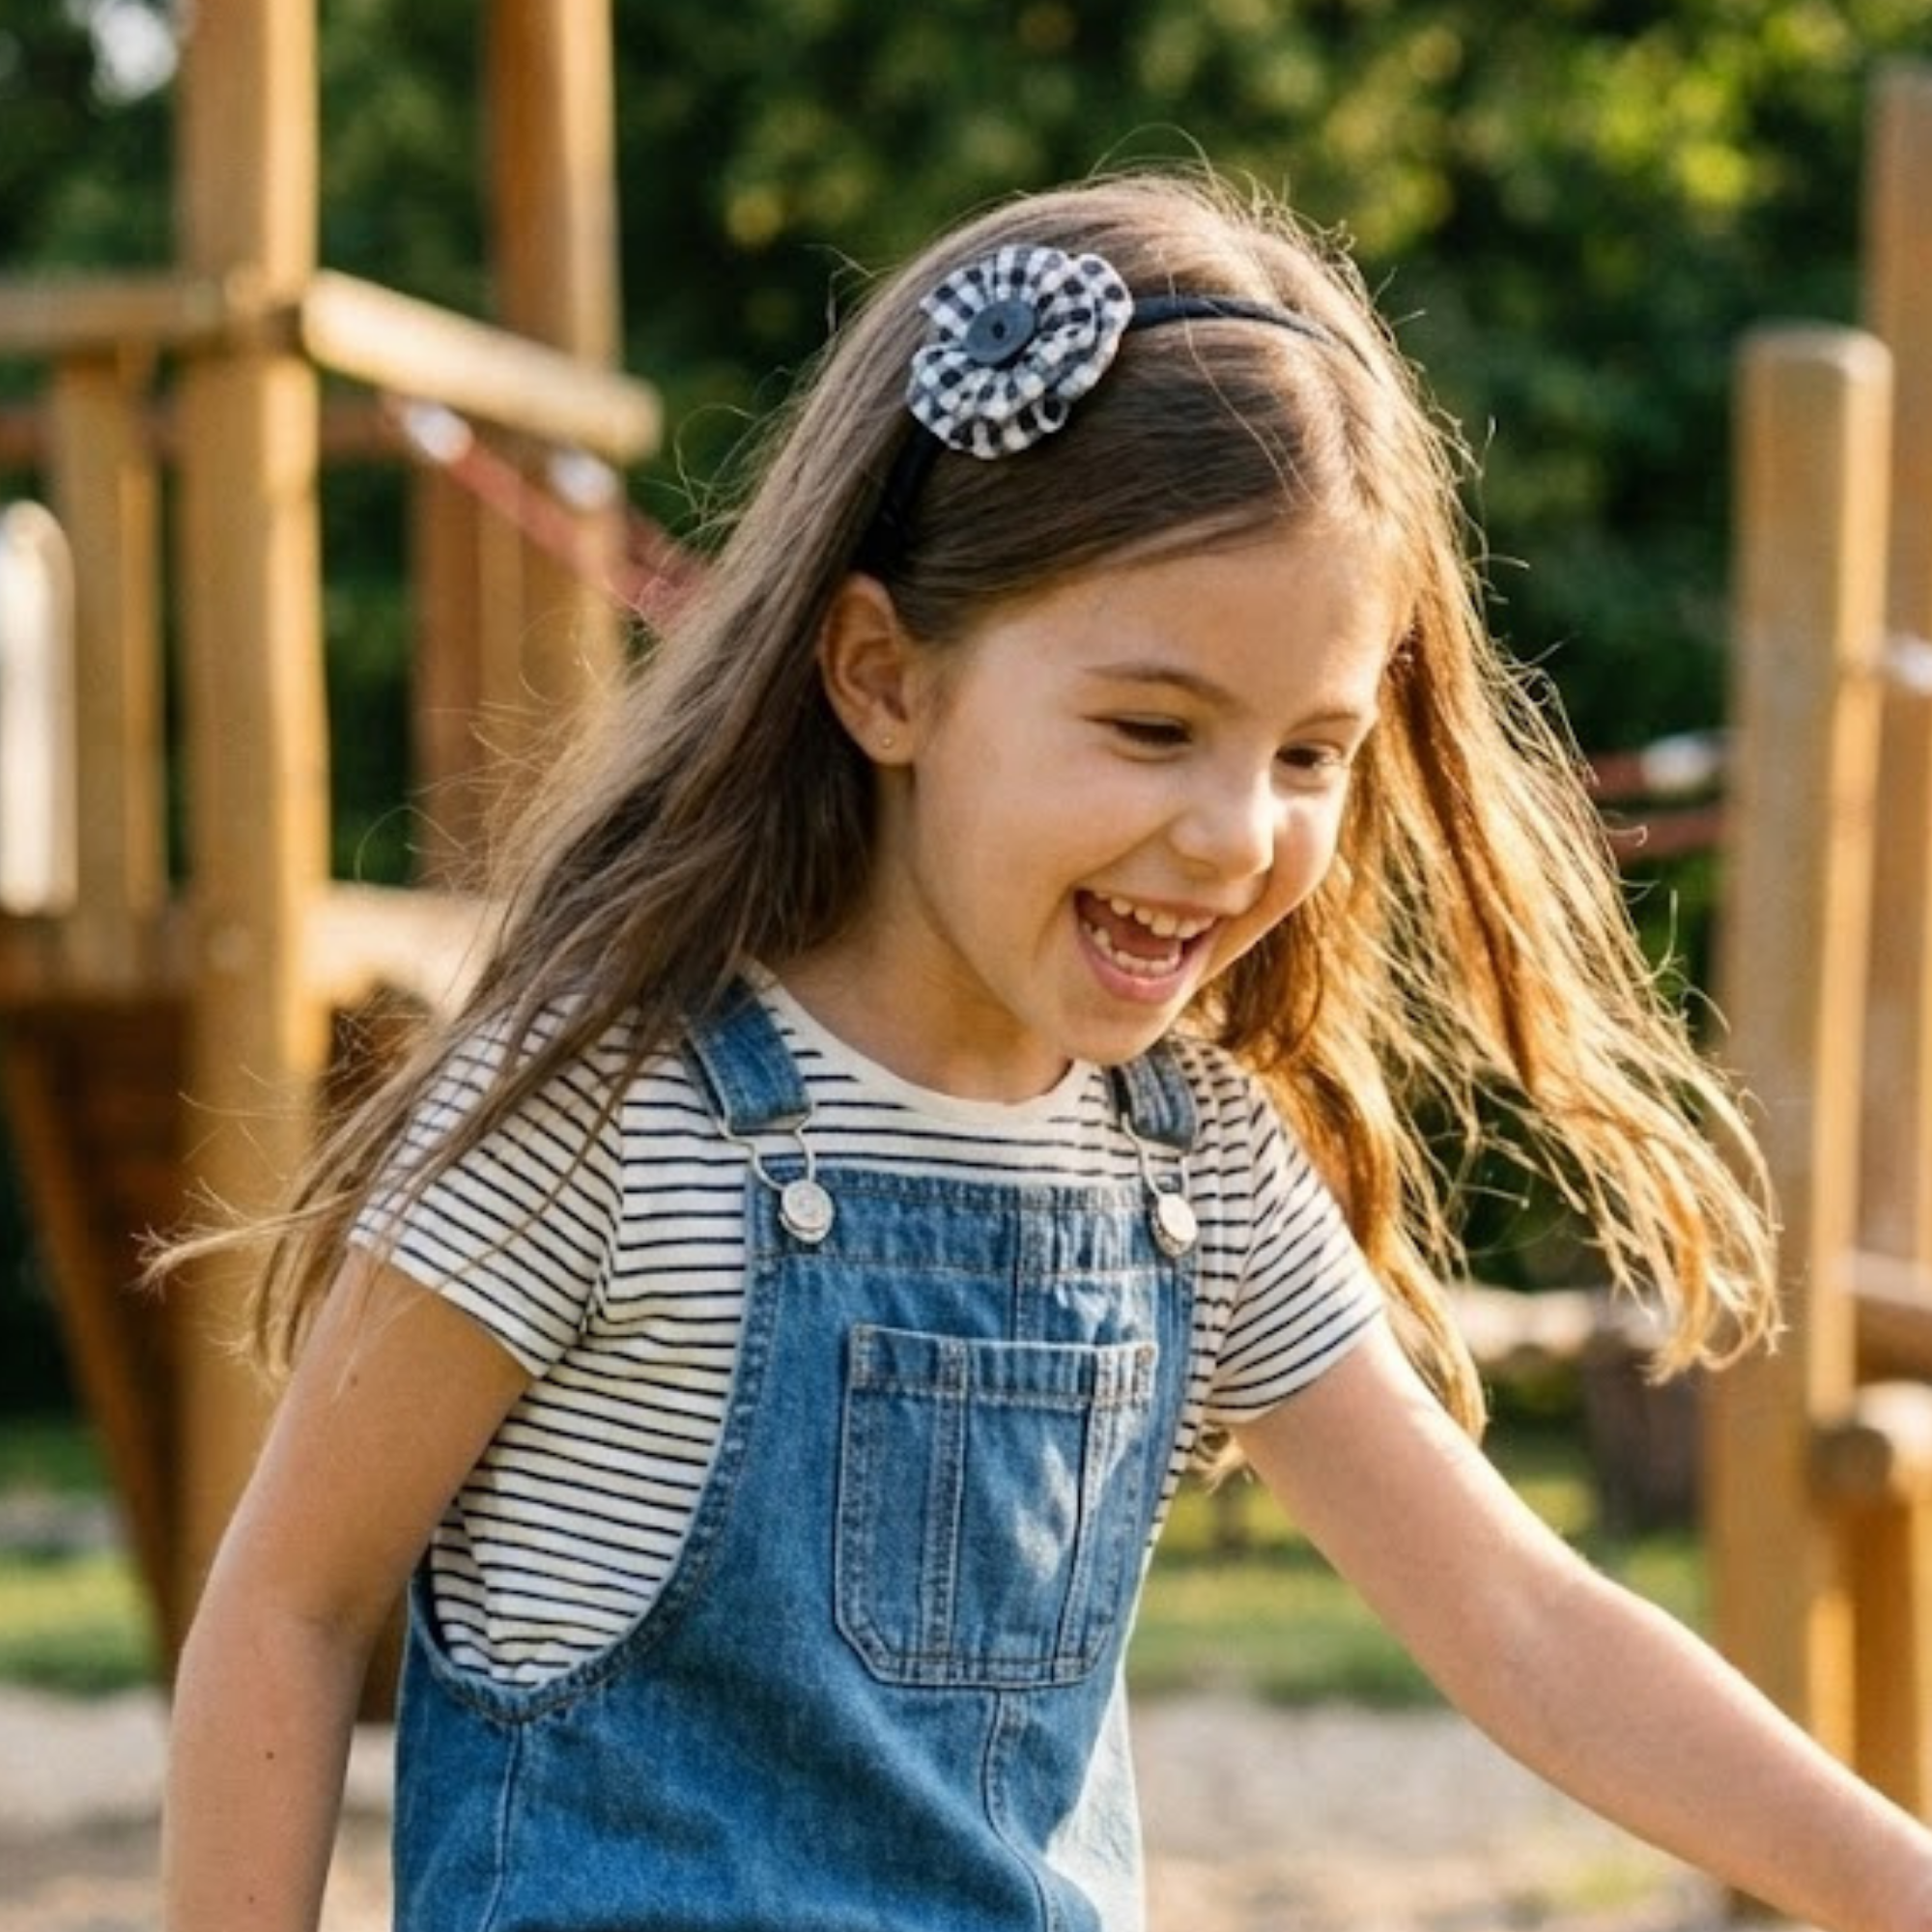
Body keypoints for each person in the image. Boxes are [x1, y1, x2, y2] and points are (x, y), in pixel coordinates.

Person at [160, 169, 1932, 1932]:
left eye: (1308, 755)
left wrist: (1891, 1879)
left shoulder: (1195, 1169)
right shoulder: (607, 1119)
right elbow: (292, 1604)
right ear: (886, 677)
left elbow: (1522, 1620)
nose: (1236, 834)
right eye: (1153, 728)